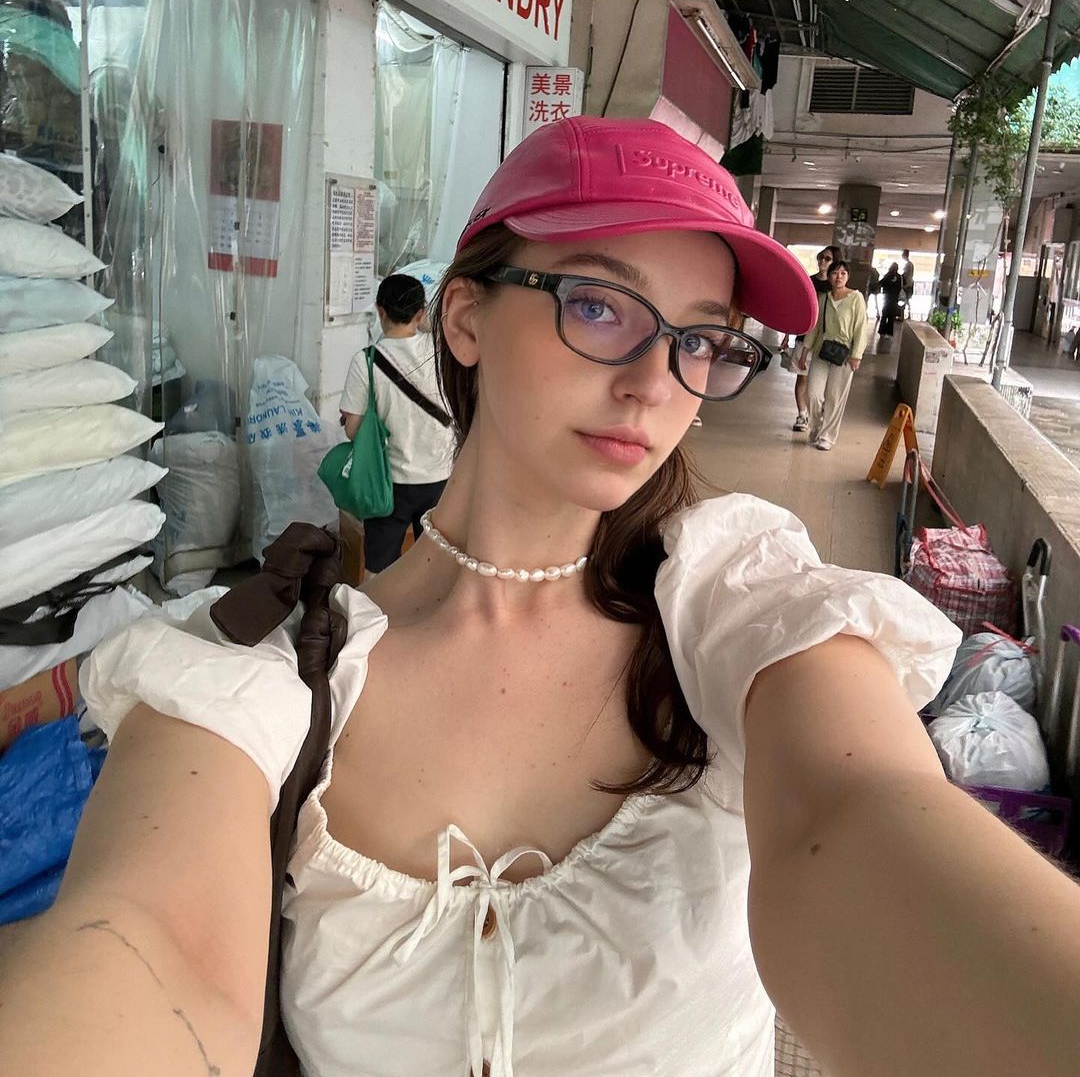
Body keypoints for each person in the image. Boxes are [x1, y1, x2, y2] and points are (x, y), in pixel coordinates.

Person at [6, 117, 1080, 1077]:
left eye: (701, 338)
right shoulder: (268, 673)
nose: (654, 381)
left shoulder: (740, 610)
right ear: (465, 319)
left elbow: (859, 820)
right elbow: (149, 948)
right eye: (600, 306)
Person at [339, 273, 454, 573]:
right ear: (421, 313)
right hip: (440, 477)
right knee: (433, 566)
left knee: (379, 568)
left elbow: (352, 429)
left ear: (380, 311)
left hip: (389, 483)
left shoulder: (366, 361)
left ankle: (379, 605)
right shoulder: (442, 351)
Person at [800, 259, 868, 451]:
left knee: (834, 397)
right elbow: (815, 328)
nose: (839, 277)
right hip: (822, 351)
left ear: (848, 276)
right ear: (829, 277)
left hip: (844, 354)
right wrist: (805, 351)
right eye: (835, 273)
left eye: (843, 273)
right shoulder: (823, 298)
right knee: (813, 394)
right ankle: (816, 428)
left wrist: (856, 355)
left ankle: (827, 437)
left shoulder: (856, 298)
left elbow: (861, 328)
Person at [791, 244, 837, 433]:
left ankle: (818, 415)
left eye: (827, 258)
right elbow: (797, 309)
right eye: (821, 257)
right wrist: (787, 334)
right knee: (802, 377)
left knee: (821, 382)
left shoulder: (836, 288)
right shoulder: (808, 282)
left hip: (826, 341)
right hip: (804, 336)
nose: (822, 261)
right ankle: (802, 415)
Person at [878, 261, 903, 337]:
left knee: (884, 315)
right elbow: (900, 287)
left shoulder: (888, 275)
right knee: (892, 316)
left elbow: (881, 283)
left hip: (887, 298)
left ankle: (882, 332)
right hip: (894, 299)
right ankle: (889, 333)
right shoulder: (899, 277)